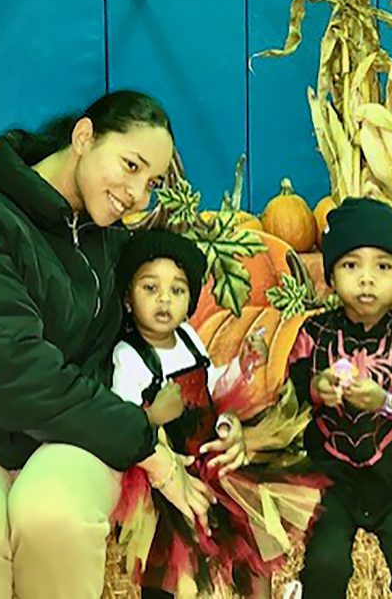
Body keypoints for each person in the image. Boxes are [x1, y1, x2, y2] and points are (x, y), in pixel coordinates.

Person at [0, 90, 215, 599]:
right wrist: (148, 450)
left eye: (153, 183)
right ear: (83, 137)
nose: (138, 195)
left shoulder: (113, 242)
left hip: (68, 437)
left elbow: (156, 346)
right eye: (130, 165)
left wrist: (213, 431)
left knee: (56, 520)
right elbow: (13, 373)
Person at [111, 229, 326, 599]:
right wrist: (152, 415)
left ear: (191, 300)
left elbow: (211, 383)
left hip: (208, 457)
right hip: (166, 473)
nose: (164, 299)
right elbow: (119, 421)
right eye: (150, 288)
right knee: (175, 563)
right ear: (129, 299)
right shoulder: (128, 355)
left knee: (248, 537)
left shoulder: (189, 338)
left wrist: (242, 366)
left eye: (177, 290)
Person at [287, 197, 392, 599]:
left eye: (383, 266)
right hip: (331, 483)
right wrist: (315, 390)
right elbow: (283, 400)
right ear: (331, 274)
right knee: (325, 567)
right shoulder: (312, 336)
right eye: (351, 265)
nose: (366, 279)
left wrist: (387, 402)